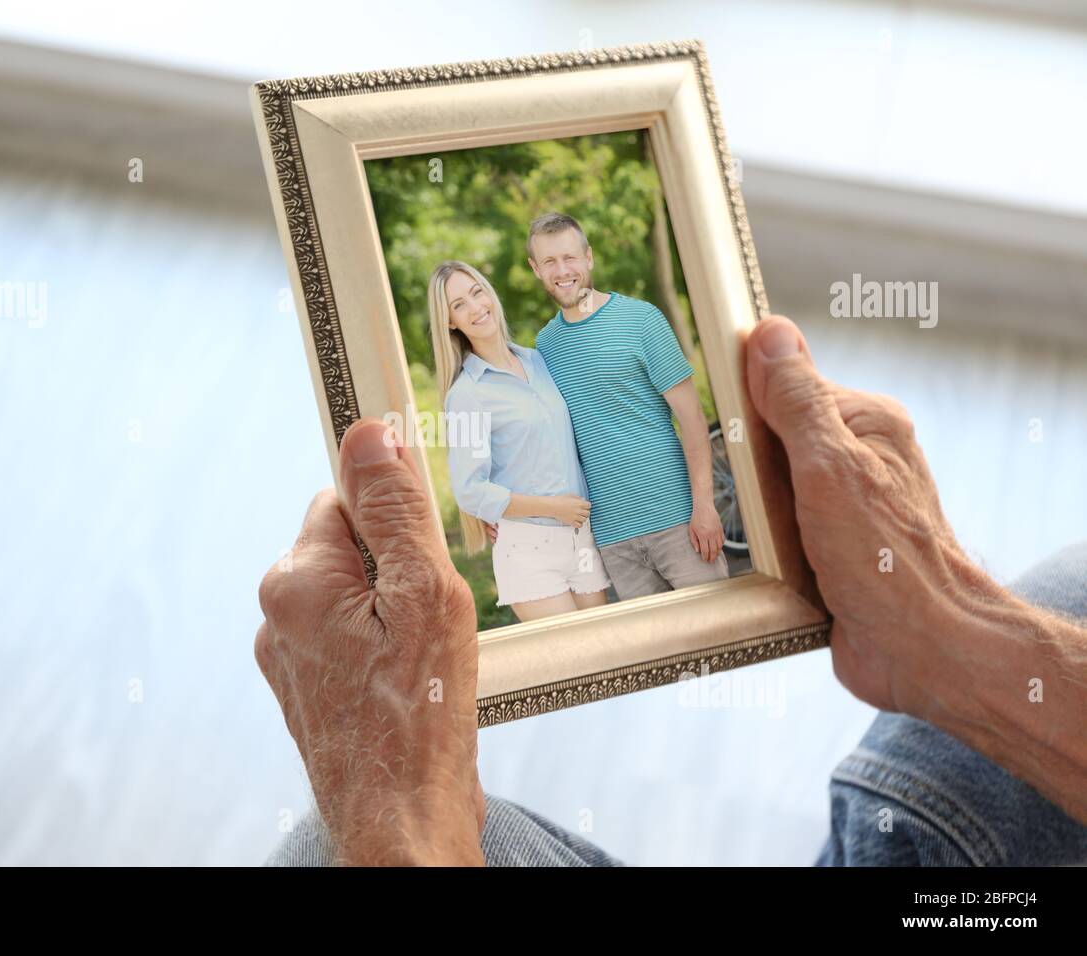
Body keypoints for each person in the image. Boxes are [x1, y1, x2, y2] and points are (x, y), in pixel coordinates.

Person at [254, 315, 1087, 866]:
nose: (481, 304)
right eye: (463, 298)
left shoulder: (546, 360)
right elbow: (481, 488)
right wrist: (958, 632)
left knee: (324, 852)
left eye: (484, 292)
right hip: (550, 540)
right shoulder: (480, 387)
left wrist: (401, 820)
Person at [523, 212, 729, 599]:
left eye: (570, 258)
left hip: (679, 523)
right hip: (615, 543)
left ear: (589, 258)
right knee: (658, 656)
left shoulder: (641, 320)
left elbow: (692, 417)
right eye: (549, 261)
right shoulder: (545, 346)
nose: (562, 270)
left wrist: (704, 506)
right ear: (535, 269)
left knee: (722, 641)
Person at [431, 260, 610, 622]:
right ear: (450, 322)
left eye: (477, 293)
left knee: (609, 656)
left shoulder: (538, 361)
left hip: (582, 539)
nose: (476, 307)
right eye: (459, 305)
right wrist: (550, 507)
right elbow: (469, 490)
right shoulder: (466, 394)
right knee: (574, 664)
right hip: (530, 551)